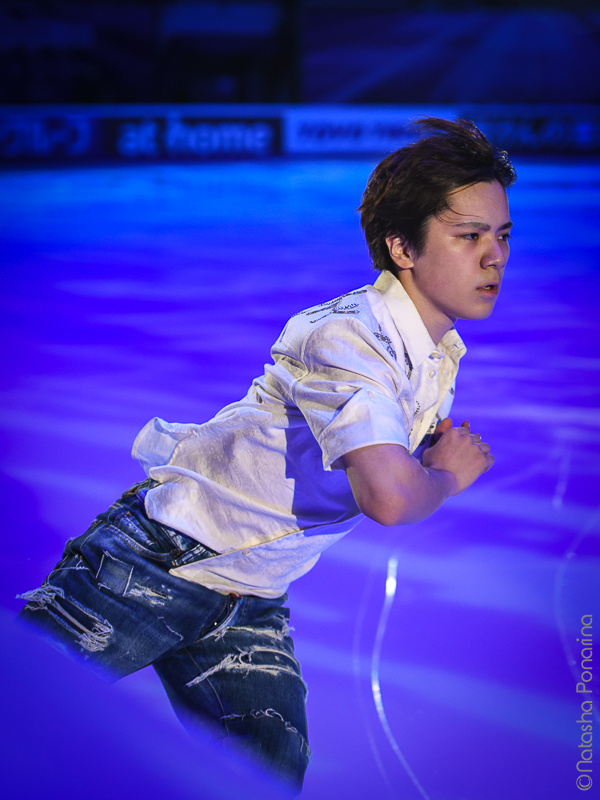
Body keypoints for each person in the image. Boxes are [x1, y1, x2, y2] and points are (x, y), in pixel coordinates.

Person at [18, 117, 516, 793]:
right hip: (157, 560)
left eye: (502, 235)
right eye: (469, 237)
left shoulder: (431, 351)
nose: (495, 257)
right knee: (21, 719)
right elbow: (392, 499)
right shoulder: (349, 336)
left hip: (248, 592)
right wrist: (443, 476)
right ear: (402, 245)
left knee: (265, 782)